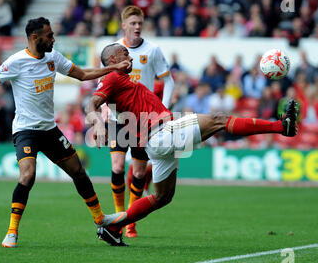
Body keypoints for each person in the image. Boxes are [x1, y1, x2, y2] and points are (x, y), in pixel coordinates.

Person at [0, 17, 131, 248]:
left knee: (79, 172)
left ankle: (100, 219)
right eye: (49, 35)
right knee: (27, 175)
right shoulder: (16, 62)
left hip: (49, 130)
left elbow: (82, 75)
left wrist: (112, 68)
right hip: (25, 131)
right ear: (35, 37)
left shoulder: (53, 58)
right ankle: (12, 231)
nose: (53, 39)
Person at [86, 43, 298, 246]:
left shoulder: (125, 81)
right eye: (125, 52)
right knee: (219, 120)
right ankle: (282, 127)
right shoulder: (112, 77)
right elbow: (92, 103)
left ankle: (112, 227)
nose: (130, 56)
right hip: (161, 134)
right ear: (113, 59)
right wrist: (97, 124)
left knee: (162, 197)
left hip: (158, 142)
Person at [108, 5, 174, 238]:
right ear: (124, 24)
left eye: (140, 23)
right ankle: (119, 215)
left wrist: (163, 109)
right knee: (117, 167)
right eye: (133, 23)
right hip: (118, 117)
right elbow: (103, 83)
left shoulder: (153, 50)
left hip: (144, 120)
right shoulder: (113, 51)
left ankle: (130, 221)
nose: (137, 27)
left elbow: (169, 81)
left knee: (138, 173)